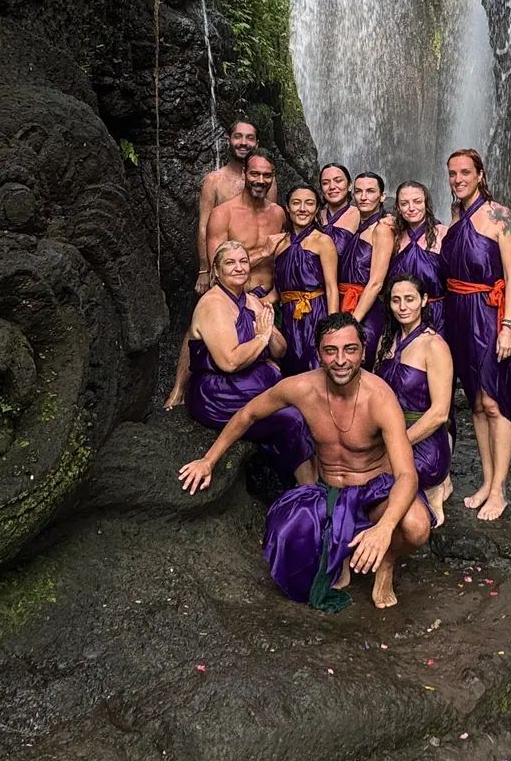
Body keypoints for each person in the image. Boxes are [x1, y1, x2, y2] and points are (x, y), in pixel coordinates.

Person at [179, 314, 429, 611]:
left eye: (350, 349)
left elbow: (406, 475)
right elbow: (249, 414)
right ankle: (340, 547)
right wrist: (208, 460)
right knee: (285, 533)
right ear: (318, 354)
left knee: (416, 526)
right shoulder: (301, 388)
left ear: (363, 351)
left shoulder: (380, 398)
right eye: (330, 350)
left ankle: (385, 563)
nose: (340, 360)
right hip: (329, 493)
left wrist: (385, 528)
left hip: (377, 493)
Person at [178, 240, 314, 486]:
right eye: (230, 263)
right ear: (217, 271)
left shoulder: (251, 300)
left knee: (307, 402)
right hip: (218, 390)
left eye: (243, 261)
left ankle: (312, 484)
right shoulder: (214, 305)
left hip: (250, 379)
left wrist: (268, 331)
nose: (239, 267)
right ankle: (308, 489)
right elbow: (229, 362)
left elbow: (281, 350)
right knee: (293, 416)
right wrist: (260, 338)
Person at [442, 148, 511, 522]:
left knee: (495, 400)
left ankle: (500, 489)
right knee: (474, 401)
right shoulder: (456, 217)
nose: (458, 179)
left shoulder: (500, 215)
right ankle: (487, 482)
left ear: (480, 174)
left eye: (464, 173)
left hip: (488, 316)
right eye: (453, 174)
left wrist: (509, 324)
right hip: (458, 314)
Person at [376, 273, 455, 528]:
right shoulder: (385, 341)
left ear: (423, 300)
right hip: (389, 432)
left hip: (423, 441)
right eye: (396, 300)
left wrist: (397, 444)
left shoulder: (435, 346)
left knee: (381, 477)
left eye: (409, 299)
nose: (402, 307)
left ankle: (434, 489)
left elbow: (441, 413)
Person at [204, 150, 289, 302]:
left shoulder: (278, 214)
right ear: (244, 173)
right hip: (235, 299)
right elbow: (219, 267)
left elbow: (284, 262)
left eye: (267, 175)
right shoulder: (222, 214)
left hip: (270, 300)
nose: (261, 180)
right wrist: (264, 252)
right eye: (254, 174)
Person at [273, 184, 339, 375]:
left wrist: (332, 327)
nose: (302, 209)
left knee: (316, 367)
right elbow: (279, 291)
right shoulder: (280, 244)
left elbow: (331, 287)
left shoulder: (323, 241)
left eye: (309, 203)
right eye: (296, 203)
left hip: (315, 312)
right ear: (287, 207)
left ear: (317, 208)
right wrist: (252, 303)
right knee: (291, 367)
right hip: (288, 316)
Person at [194, 120, 260, 293]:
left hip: (259, 270)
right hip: (226, 268)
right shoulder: (214, 180)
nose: (244, 142)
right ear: (228, 140)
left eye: (250, 138)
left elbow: (270, 220)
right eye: (238, 137)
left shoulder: (265, 181)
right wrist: (204, 269)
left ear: (257, 143)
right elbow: (203, 227)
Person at [336, 170, 393, 362]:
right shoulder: (358, 225)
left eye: (370, 191)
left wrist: (353, 321)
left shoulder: (382, 229)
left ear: (382, 196)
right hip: (346, 302)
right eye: (359, 191)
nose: (363, 196)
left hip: (365, 309)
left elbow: (376, 282)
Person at [387, 180, 445, 334]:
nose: (411, 208)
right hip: (400, 314)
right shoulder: (394, 237)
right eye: (404, 203)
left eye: (417, 201)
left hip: (437, 315)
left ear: (426, 204)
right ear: (398, 208)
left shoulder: (443, 233)